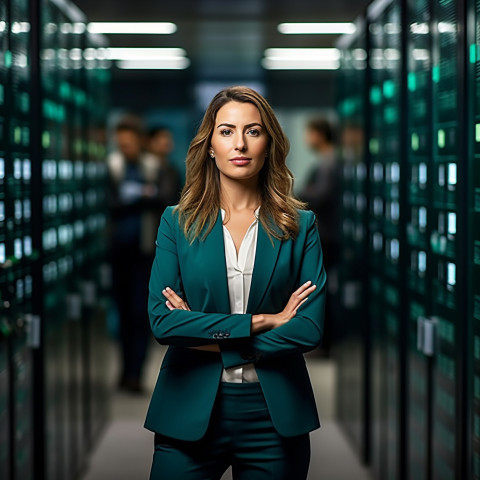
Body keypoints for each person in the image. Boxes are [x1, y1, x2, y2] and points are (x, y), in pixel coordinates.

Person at [145, 86, 327, 479]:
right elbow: (163, 323)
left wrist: (206, 334)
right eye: (226, 131)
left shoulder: (300, 225)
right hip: (188, 409)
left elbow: (308, 329)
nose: (239, 143)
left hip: (273, 414)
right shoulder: (177, 222)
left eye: (253, 131)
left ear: (269, 145)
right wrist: (262, 322)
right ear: (209, 144)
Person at [107, 116, 171, 393]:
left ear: (139, 142)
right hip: (118, 252)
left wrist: (133, 198)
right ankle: (125, 370)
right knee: (122, 313)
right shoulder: (112, 167)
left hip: (146, 253)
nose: (125, 148)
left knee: (139, 313)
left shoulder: (155, 167)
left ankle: (136, 373)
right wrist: (142, 196)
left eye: (129, 143)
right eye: (121, 144)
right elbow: (111, 204)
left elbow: (165, 199)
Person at [300, 117, 341, 357]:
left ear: (320, 135)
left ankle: (325, 344)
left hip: (327, 235)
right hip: (328, 233)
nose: (307, 139)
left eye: (310, 133)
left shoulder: (329, 162)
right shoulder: (328, 161)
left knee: (321, 290)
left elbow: (319, 196)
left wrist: (301, 194)